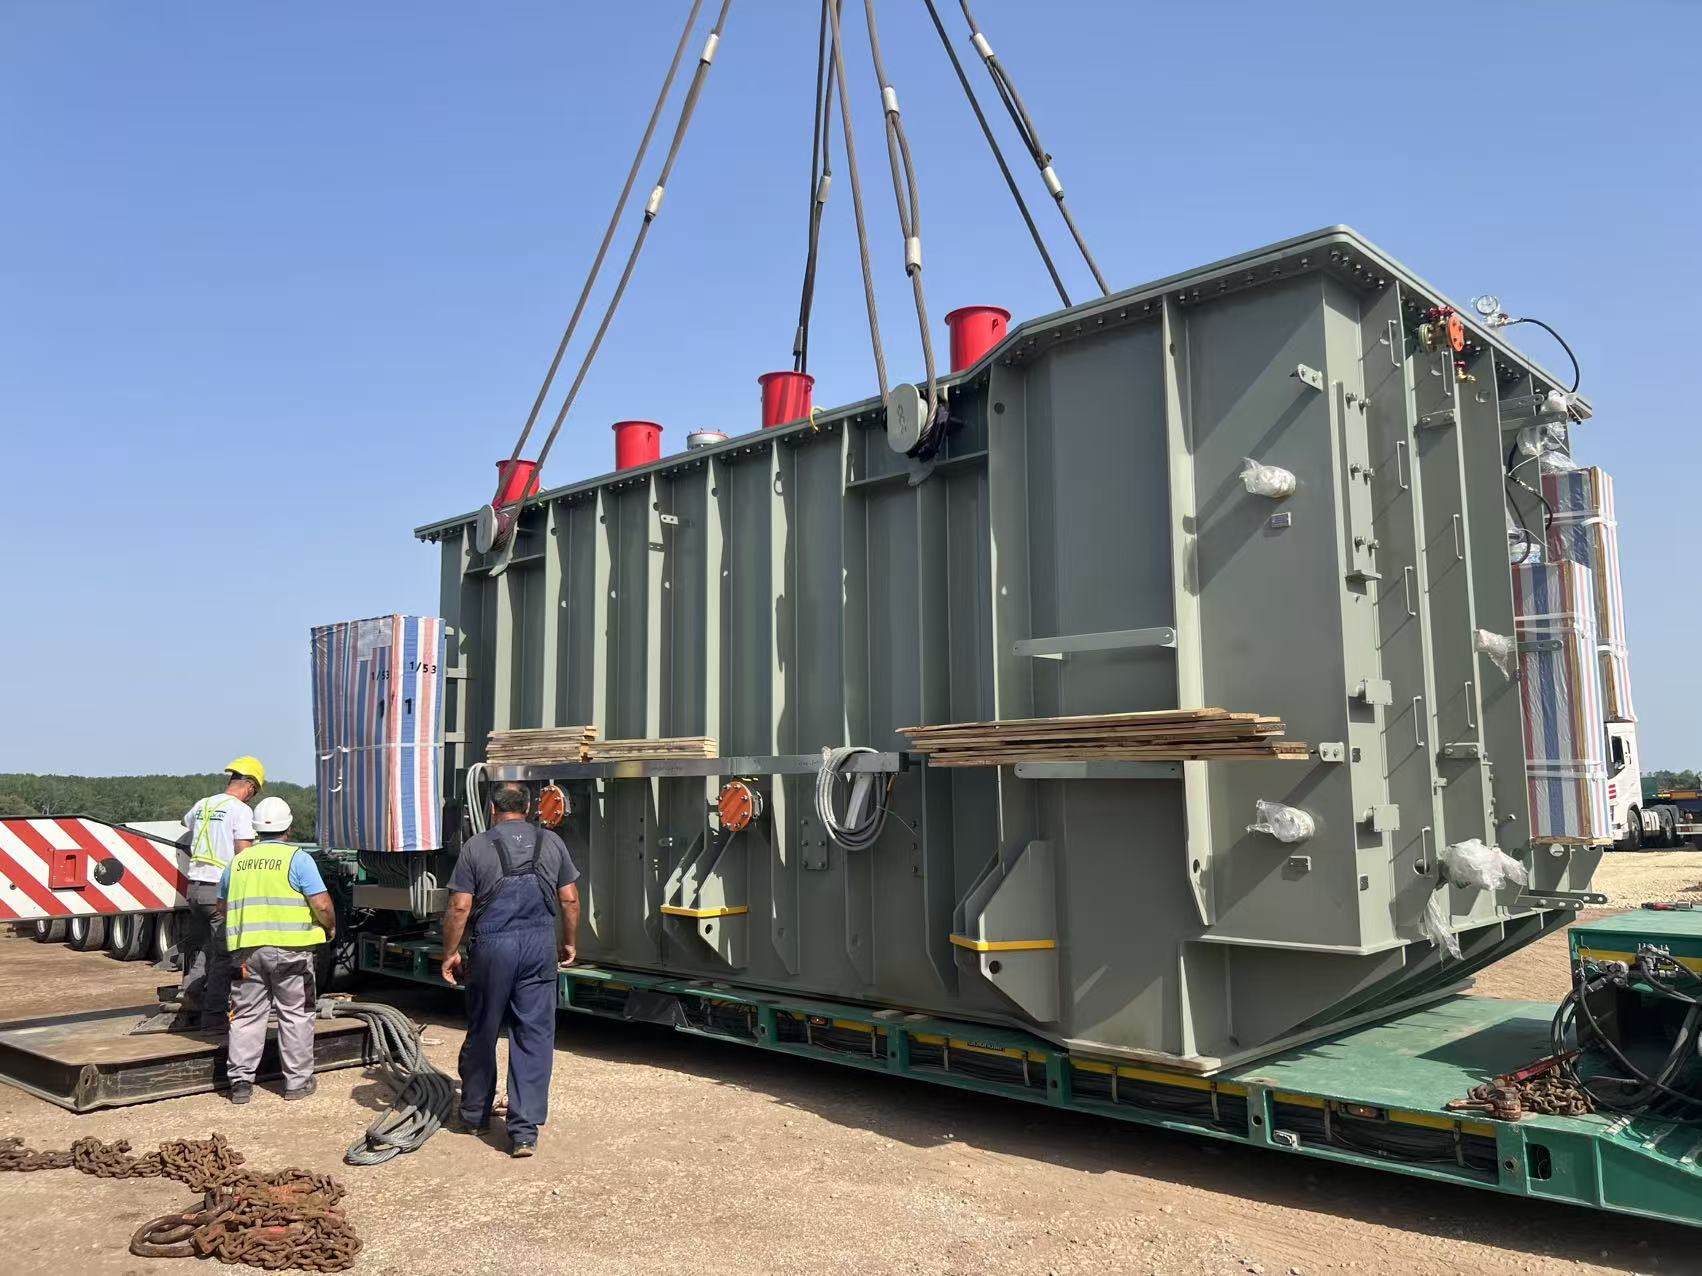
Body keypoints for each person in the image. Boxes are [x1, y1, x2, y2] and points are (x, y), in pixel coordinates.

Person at [441, 782, 580, 1157]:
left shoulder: (476, 847)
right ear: (530, 807)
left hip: (492, 948)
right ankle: (523, 1132)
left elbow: (460, 906)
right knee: (534, 1034)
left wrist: (450, 952)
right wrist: (569, 942)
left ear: (492, 809)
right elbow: (569, 899)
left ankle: (474, 1114)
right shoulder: (551, 842)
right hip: (539, 947)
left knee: (484, 1029)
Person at [218, 796, 336, 1104]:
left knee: (246, 1015)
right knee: (296, 1014)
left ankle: (240, 1083)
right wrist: (329, 927)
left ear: (256, 828)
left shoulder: (238, 862)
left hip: (246, 953)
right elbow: (322, 905)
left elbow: (221, 905)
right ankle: (297, 1083)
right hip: (291, 952)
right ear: (289, 826)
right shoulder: (299, 859)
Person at [180, 756, 264, 1031]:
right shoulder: (241, 811)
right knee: (223, 957)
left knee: (207, 948)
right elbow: (244, 854)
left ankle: (191, 995)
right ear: (250, 787)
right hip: (219, 892)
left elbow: (186, 825)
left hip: (194, 889)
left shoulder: (203, 804)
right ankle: (214, 1016)